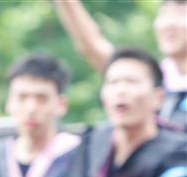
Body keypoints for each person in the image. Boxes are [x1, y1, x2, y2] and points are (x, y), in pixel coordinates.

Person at [52, 48, 187, 177]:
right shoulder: (92, 141)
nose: (120, 90)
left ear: (157, 97)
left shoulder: (178, 152)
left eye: (132, 82)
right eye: (113, 82)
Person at [54, 0, 187, 131]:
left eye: (181, 14)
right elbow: (94, 50)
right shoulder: (158, 76)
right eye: (164, 14)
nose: (169, 24)